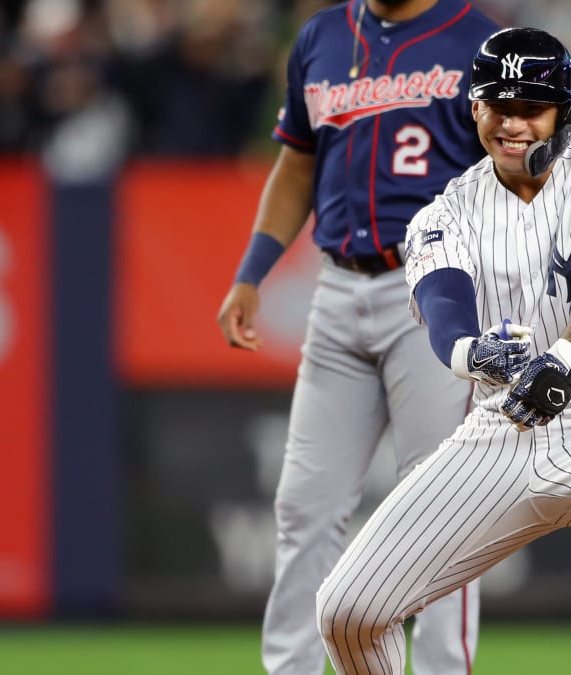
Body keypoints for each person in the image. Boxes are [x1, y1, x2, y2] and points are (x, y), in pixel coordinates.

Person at [315, 27, 571, 675]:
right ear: (473, 107)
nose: (511, 123)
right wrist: (473, 353)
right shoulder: (445, 212)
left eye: (530, 107)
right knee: (348, 609)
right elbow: (445, 308)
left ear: (563, 111)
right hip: (504, 428)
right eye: (496, 105)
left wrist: (563, 357)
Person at [215, 2, 498, 673]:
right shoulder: (322, 36)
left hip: (435, 290)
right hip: (338, 288)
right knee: (303, 508)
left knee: (442, 509)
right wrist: (252, 270)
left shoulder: (480, 41)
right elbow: (295, 166)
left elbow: (524, 174)